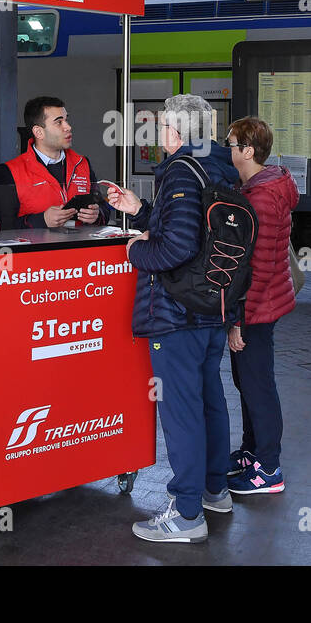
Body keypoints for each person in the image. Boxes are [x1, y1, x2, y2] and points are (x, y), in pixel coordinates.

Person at [106, 94, 239, 543]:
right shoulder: (218, 166)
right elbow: (195, 232)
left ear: (177, 133)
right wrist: (140, 211)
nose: (158, 133)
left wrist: (134, 249)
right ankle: (213, 491)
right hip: (211, 308)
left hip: (177, 311)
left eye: (163, 125)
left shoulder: (182, 170)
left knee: (181, 412)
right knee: (208, 401)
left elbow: (178, 246)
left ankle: (186, 515)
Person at [223, 116, 298, 495]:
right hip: (264, 305)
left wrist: (238, 320)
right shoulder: (262, 187)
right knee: (247, 382)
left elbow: (259, 267)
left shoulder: (262, 199)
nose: (228, 149)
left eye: (231, 143)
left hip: (257, 309)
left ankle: (268, 468)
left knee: (258, 385)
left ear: (248, 151)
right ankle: (253, 452)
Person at [0, 96, 106, 231]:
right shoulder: (8, 171)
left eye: (66, 120)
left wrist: (97, 215)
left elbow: (103, 207)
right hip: (36, 251)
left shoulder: (82, 163)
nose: (68, 127)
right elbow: (2, 227)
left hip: (80, 249)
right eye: (59, 122)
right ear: (39, 132)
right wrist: (42, 220)